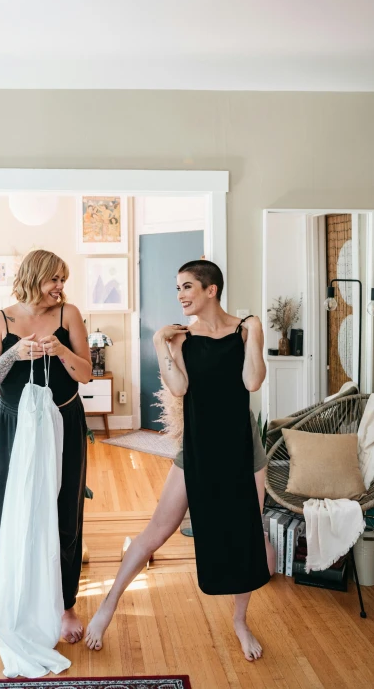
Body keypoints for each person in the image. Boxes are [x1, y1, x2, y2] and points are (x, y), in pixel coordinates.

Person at [85, 259, 271, 661]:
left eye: (187, 287)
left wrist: (255, 334)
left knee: (245, 533)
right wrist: (158, 344)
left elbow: (252, 381)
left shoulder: (244, 330)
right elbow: (180, 386)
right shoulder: (181, 338)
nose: (180, 296)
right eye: (178, 288)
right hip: (200, 447)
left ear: (211, 290)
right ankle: (108, 605)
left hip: (242, 447)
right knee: (158, 529)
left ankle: (240, 620)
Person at [0, 249, 92, 645]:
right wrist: (13, 352)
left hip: (65, 420)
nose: (61, 287)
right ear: (33, 276)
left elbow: (87, 374)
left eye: (63, 280)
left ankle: (65, 604)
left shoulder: (69, 315)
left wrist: (61, 351)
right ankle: (14, 597)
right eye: (54, 279)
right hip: (13, 427)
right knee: (12, 511)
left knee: (65, 513)